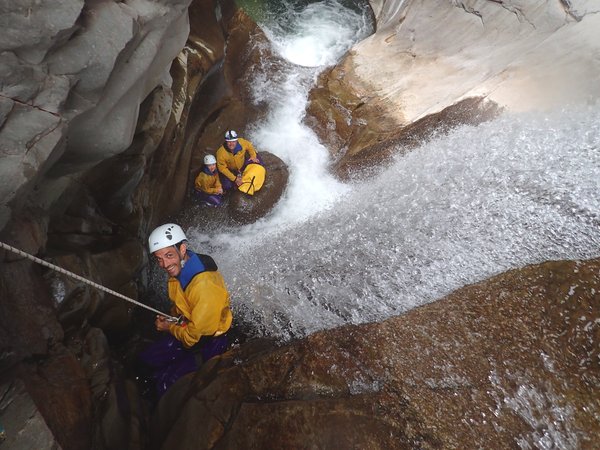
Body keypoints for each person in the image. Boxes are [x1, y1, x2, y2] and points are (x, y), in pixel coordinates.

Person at [137, 223, 232, 398]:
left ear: (182, 249)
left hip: (207, 342)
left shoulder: (203, 286)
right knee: (147, 359)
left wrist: (168, 328)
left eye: (168, 255)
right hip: (187, 326)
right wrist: (172, 319)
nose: (164, 264)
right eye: (159, 258)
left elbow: (193, 338)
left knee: (165, 385)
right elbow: (182, 304)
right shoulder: (183, 267)